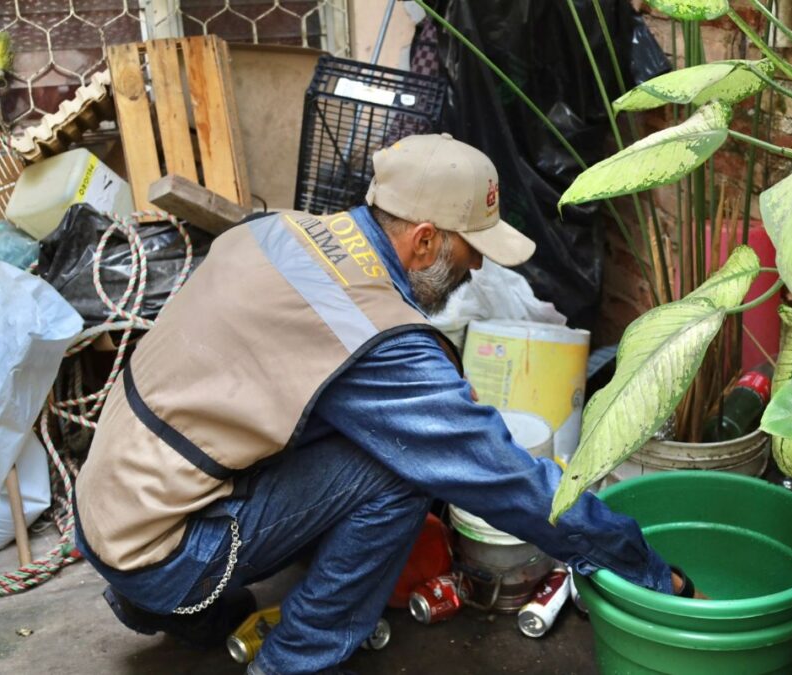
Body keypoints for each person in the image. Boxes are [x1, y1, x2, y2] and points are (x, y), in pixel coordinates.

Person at [73, 133, 694, 675]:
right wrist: (638, 563)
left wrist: (433, 394)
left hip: (111, 505)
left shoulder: (278, 232)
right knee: (401, 466)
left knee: (399, 439)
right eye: (471, 248)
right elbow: (502, 477)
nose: (477, 267)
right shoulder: (370, 333)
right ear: (424, 242)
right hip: (166, 550)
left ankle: (161, 604)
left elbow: (284, 383)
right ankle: (298, 662)